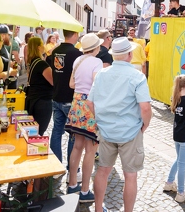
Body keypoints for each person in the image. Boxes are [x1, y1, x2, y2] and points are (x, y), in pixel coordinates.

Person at [88, 37, 152, 212]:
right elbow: (145, 108)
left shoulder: (101, 73)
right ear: (130, 55)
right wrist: (144, 126)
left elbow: (90, 103)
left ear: (114, 55)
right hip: (130, 132)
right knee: (130, 176)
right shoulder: (137, 76)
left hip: (107, 131)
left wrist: (100, 120)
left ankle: (98, 209)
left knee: (102, 171)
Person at [66, 33, 103, 203]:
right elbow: (97, 85)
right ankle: (85, 190)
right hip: (89, 105)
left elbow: (71, 84)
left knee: (77, 146)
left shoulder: (78, 60)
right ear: (96, 48)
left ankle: (72, 184)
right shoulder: (97, 62)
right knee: (91, 149)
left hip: (76, 103)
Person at [49, 29, 82, 163]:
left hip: (56, 96)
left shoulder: (55, 51)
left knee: (57, 131)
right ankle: (72, 169)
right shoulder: (77, 54)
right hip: (70, 99)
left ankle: (56, 164)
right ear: (75, 35)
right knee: (73, 135)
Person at [163, 75, 185, 203]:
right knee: (182, 164)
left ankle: (169, 182)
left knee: (178, 160)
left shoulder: (175, 99)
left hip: (176, 136)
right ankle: (181, 193)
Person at [25, 37, 54, 135]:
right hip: (42, 100)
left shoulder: (32, 61)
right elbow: (53, 81)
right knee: (39, 131)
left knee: (33, 130)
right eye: (42, 44)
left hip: (34, 98)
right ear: (38, 47)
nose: (44, 46)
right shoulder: (41, 64)